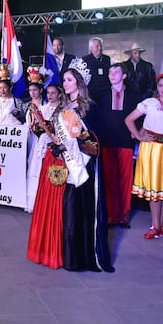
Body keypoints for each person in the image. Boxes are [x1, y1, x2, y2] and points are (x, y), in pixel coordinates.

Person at [27, 66, 114, 272]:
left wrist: (67, 145)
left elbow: (93, 139)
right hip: (67, 164)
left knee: (82, 211)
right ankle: (69, 256)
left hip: (83, 167)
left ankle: (84, 257)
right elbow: (61, 133)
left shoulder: (89, 107)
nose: (65, 84)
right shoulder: (63, 107)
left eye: (69, 80)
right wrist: (56, 141)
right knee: (69, 210)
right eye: (64, 80)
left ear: (79, 83)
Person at [125, 73, 163, 239]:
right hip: (152, 148)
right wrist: (139, 137)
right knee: (154, 187)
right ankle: (155, 225)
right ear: (157, 87)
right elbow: (129, 120)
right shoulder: (149, 103)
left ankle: (162, 223)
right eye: (161, 86)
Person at [97, 63, 140, 228]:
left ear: (124, 76)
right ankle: (111, 215)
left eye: (116, 72)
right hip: (107, 141)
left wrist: (137, 133)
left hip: (125, 142)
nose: (111, 74)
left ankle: (124, 215)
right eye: (109, 72)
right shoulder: (102, 95)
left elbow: (141, 118)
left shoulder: (134, 96)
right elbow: (98, 118)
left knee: (125, 179)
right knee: (109, 179)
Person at [25, 82, 61, 213]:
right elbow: (35, 127)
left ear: (59, 94)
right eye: (49, 93)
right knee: (36, 170)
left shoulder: (62, 110)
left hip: (54, 146)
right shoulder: (43, 109)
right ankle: (35, 202)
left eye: (53, 93)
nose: (50, 95)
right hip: (40, 144)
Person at [82, 37, 111, 102]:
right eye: (97, 46)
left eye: (101, 46)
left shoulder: (107, 59)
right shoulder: (85, 60)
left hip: (105, 92)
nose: (100, 48)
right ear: (91, 48)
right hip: (91, 93)